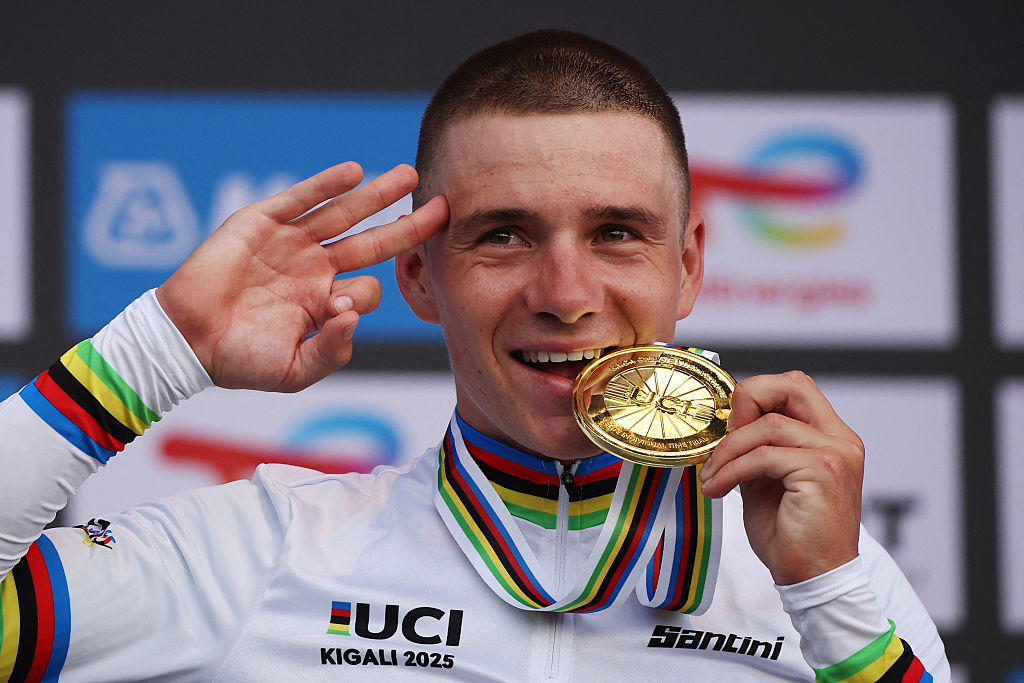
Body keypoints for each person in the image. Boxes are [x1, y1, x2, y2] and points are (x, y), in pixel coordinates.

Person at [0, 30, 949, 681]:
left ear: (688, 264)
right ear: (419, 274)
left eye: (617, 232)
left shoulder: (820, 580)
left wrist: (831, 598)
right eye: (505, 235)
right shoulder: (270, 551)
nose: (566, 293)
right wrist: (158, 350)